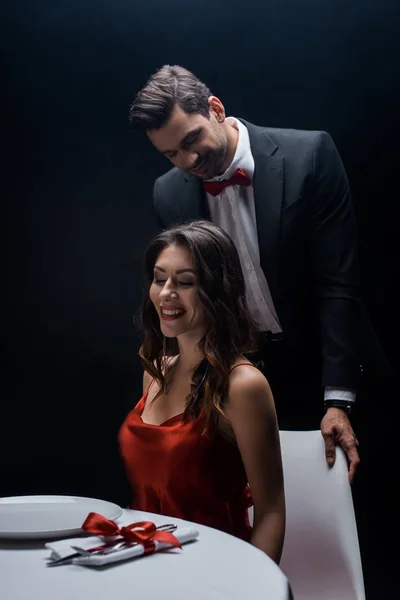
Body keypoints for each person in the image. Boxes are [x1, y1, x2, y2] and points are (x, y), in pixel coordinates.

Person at [129, 65, 389, 483]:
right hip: (242, 377)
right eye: (172, 154)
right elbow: (189, 296)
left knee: (346, 517)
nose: (189, 160)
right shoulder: (169, 191)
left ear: (215, 109)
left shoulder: (310, 155)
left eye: (191, 139)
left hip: (329, 369)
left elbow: (337, 285)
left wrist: (338, 400)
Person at [118, 220, 285, 564]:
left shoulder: (243, 386)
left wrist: (254, 589)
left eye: (185, 282)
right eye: (159, 278)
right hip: (143, 568)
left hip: (214, 571)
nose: (166, 293)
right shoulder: (156, 373)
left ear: (217, 291)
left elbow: (271, 513)